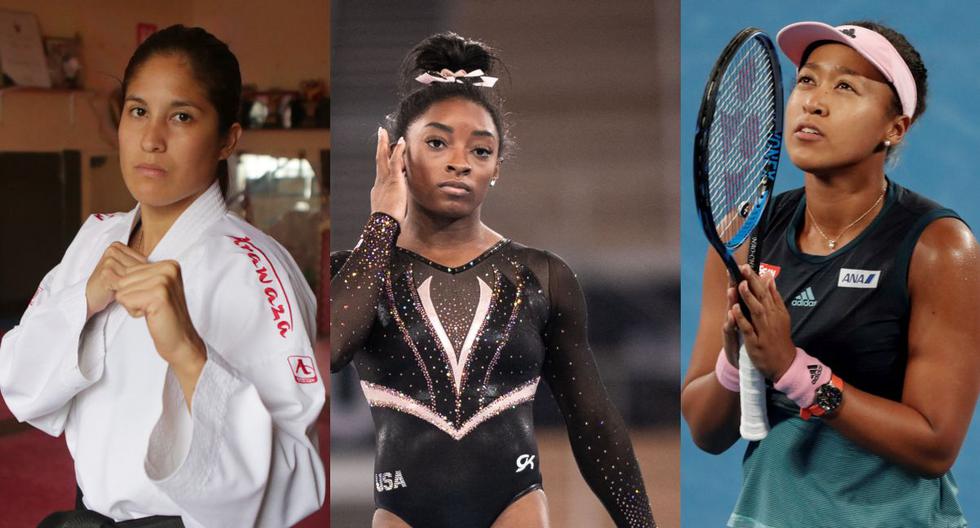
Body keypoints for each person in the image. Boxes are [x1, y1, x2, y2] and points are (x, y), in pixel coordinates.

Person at [0, 25, 325, 527]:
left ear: (227, 140)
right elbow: (19, 381)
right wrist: (85, 300)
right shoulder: (96, 240)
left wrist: (188, 354)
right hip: (85, 511)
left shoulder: (257, 269)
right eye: (137, 111)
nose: (151, 140)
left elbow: (296, 475)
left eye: (181, 116)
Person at [331, 33, 656, 528]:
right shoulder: (358, 270)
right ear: (398, 155)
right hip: (402, 515)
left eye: (480, 151)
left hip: (515, 509)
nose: (460, 161)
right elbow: (330, 349)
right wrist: (382, 223)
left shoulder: (540, 276)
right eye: (437, 142)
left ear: (496, 168)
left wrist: (641, 525)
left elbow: (595, 425)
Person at [681, 20, 980, 527]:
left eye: (845, 87)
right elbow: (707, 432)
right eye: (807, 80)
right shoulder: (745, 236)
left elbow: (934, 445)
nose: (815, 102)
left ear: (895, 128)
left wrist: (792, 368)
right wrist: (736, 359)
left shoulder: (940, 248)